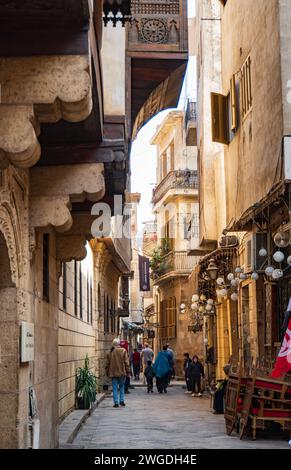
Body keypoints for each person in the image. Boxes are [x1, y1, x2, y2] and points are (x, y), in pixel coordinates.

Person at [106, 338, 130, 408]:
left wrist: (107, 372)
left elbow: (107, 364)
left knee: (114, 388)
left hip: (113, 373)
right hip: (122, 372)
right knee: (122, 387)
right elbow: (126, 362)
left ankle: (116, 402)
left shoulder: (110, 352)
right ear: (119, 343)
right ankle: (121, 401)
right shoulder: (123, 350)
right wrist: (128, 371)